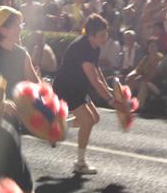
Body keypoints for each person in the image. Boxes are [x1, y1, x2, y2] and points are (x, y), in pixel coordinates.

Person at [52, 14, 128, 175]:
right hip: (66, 88)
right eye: (102, 35)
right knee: (87, 121)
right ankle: (80, 164)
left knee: (95, 118)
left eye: (106, 33)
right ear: (91, 35)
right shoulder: (83, 48)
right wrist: (111, 100)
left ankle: (58, 128)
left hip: (78, 87)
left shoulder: (94, 46)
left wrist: (109, 90)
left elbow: (97, 70)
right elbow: (94, 80)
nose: (105, 38)